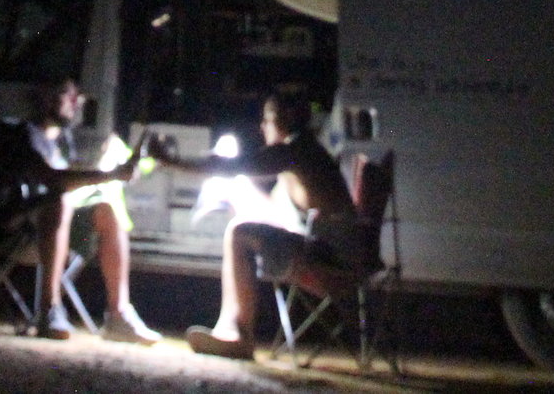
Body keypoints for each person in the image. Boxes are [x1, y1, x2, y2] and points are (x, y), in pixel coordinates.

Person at [184, 94, 361, 360]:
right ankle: (229, 330)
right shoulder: (305, 153)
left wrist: (172, 160)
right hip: (338, 254)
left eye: (267, 120)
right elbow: (275, 213)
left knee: (239, 233)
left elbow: (236, 166)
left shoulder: (296, 151)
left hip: (332, 262)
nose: (262, 128)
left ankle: (239, 337)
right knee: (241, 219)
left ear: (286, 119)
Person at [24, 78, 162, 344]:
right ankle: (49, 309)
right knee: (60, 199)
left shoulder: (63, 141)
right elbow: (52, 179)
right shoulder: (27, 134)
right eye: (68, 94)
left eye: (78, 96)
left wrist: (116, 173)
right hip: (25, 219)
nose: (77, 102)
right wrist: (107, 175)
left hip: (59, 223)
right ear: (45, 97)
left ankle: (118, 314)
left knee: (107, 210)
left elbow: (71, 178)